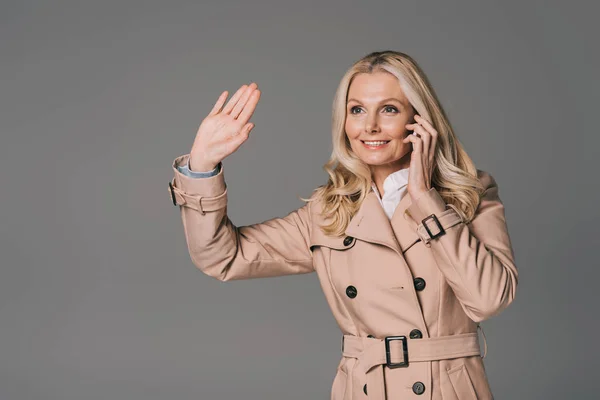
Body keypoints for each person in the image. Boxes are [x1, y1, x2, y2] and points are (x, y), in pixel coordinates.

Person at [168, 50, 518, 400]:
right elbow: (222, 257)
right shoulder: (329, 211)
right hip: (363, 390)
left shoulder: (469, 195)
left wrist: (426, 198)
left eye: (390, 109)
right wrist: (201, 166)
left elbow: (488, 300)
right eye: (357, 110)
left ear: (420, 119)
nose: (370, 127)